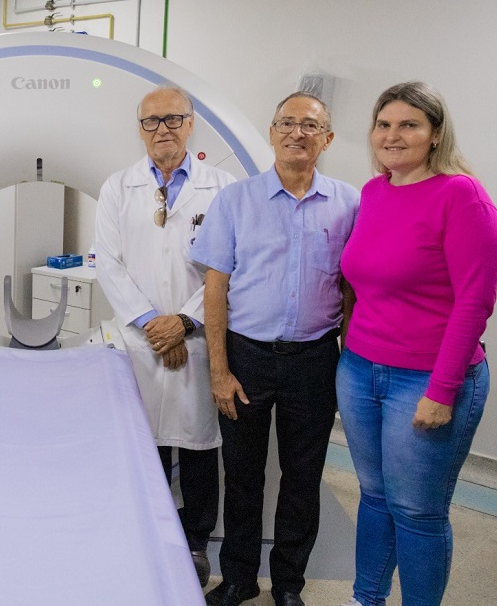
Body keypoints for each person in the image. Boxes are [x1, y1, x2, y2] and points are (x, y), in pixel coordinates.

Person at [337, 82, 497, 606]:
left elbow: (475, 302)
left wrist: (442, 389)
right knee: (374, 497)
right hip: (360, 369)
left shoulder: (461, 196)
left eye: (409, 124)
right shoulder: (374, 191)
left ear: (435, 133)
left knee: (417, 511)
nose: (393, 135)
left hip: (428, 378)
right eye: (383, 124)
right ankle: (367, 599)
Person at [191, 93, 359, 606]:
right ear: (271, 133)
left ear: (327, 138)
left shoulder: (350, 203)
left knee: (303, 479)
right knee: (242, 476)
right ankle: (239, 579)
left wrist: (348, 360)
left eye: (309, 125)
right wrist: (219, 370)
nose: (296, 133)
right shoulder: (235, 201)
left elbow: (352, 290)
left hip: (314, 359)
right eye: (286, 123)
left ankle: (288, 585)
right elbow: (215, 291)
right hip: (247, 356)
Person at [95, 84, 235, 587]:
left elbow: (228, 265)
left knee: (198, 448)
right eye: (151, 121)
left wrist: (184, 322)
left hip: (198, 338)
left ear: (190, 124)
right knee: (144, 447)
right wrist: (154, 323)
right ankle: (146, 534)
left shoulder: (223, 188)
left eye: (173, 119)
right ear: (140, 129)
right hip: (142, 342)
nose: (162, 130)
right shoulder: (118, 187)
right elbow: (108, 264)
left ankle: (195, 544)